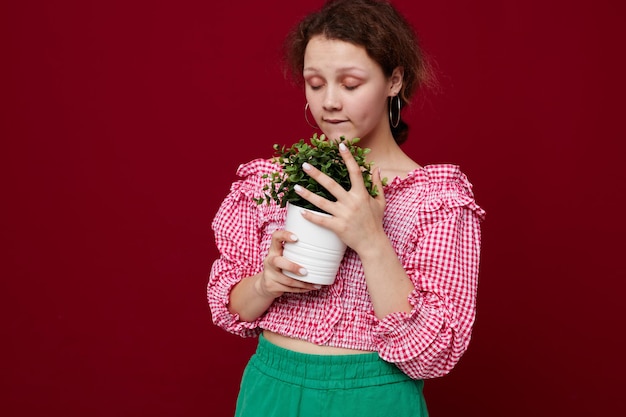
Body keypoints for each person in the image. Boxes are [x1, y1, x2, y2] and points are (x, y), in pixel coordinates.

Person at [207, 0, 485, 415]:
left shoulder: (436, 200)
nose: (330, 102)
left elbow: (433, 353)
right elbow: (227, 307)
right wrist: (265, 285)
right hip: (271, 390)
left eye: (351, 84)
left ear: (394, 80)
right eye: (315, 83)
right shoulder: (270, 182)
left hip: (373, 397)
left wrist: (372, 238)